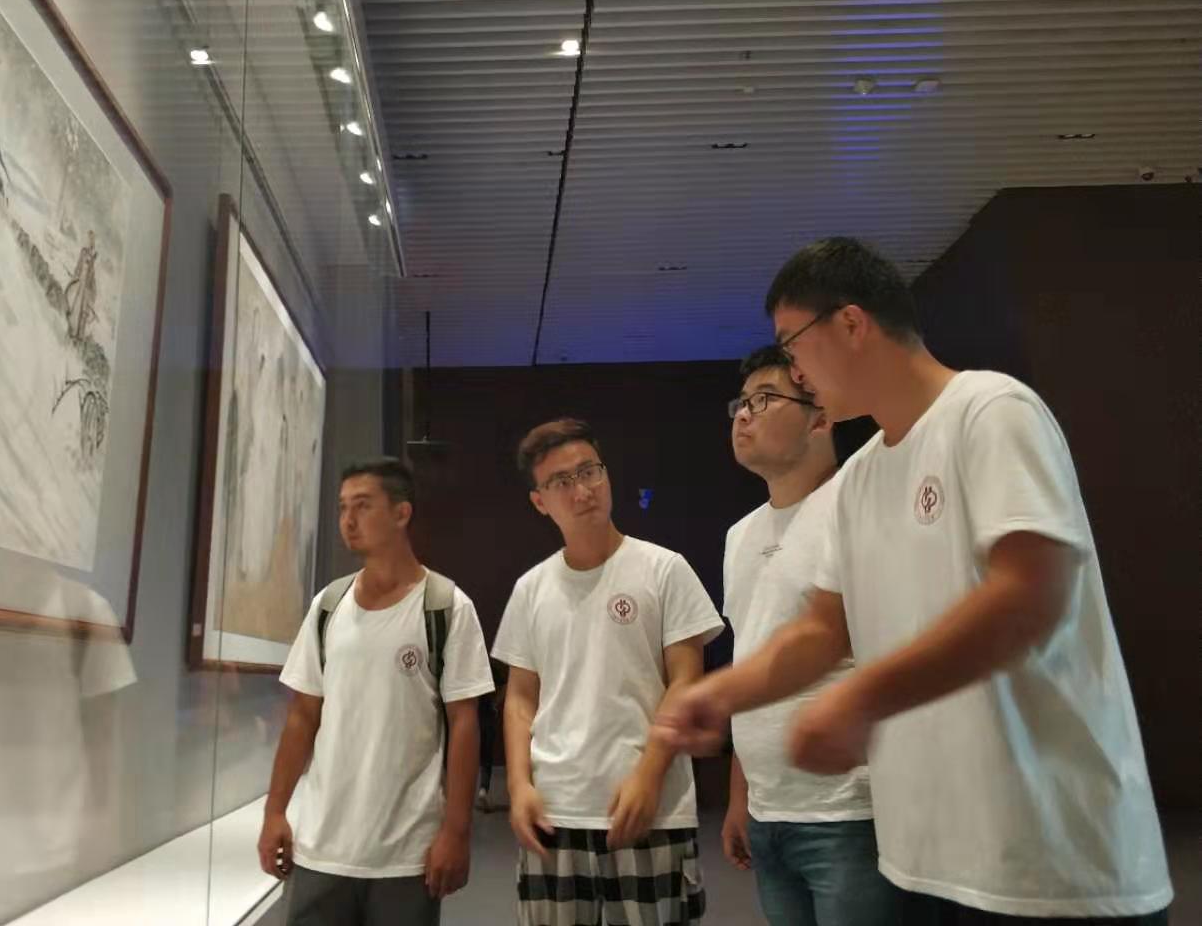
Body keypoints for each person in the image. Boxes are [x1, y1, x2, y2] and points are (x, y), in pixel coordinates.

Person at [656, 238, 1173, 924]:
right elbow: (820, 629)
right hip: (928, 859)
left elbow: (1029, 595)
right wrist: (721, 694)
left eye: (793, 344)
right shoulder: (861, 476)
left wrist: (859, 698)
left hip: (1052, 863)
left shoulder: (989, 410)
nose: (796, 372)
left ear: (850, 323)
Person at [493, 418, 724, 926]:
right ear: (539, 501)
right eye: (561, 481)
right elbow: (520, 697)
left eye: (589, 471)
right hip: (554, 811)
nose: (582, 491)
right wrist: (519, 786)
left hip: (649, 808)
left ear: (607, 474)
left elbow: (686, 682)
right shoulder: (531, 589)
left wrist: (648, 774)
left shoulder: (664, 569)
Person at [259, 458, 494, 926]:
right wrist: (275, 811)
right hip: (322, 846)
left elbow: (464, 724)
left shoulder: (445, 606)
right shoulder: (328, 606)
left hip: (405, 853)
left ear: (401, 513)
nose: (348, 520)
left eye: (363, 506)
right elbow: (303, 715)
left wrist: (456, 831)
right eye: (343, 507)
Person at [722, 345, 901, 926]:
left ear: (820, 417)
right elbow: (750, 665)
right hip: (768, 810)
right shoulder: (739, 535)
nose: (743, 416)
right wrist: (740, 796)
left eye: (764, 399)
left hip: (850, 811)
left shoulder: (856, 503)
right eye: (740, 403)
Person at [476, 660, 508, 813]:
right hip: (488, 714)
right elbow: (504, 685)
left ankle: (464, 794)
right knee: (486, 758)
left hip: (472, 716)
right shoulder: (491, 668)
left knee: (469, 757)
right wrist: (495, 702)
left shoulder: (470, 668)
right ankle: (483, 789)